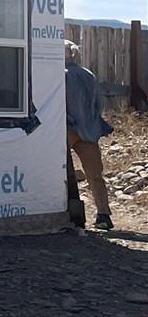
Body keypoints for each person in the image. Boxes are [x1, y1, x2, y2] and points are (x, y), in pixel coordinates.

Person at [64, 40, 114, 230]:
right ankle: (103, 214)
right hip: (89, 129)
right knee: (95, 175)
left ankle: (65, 212)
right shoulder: (89, 74)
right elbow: (96, 104)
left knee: (55, 171)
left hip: (67, 128)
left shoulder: (60, 74)